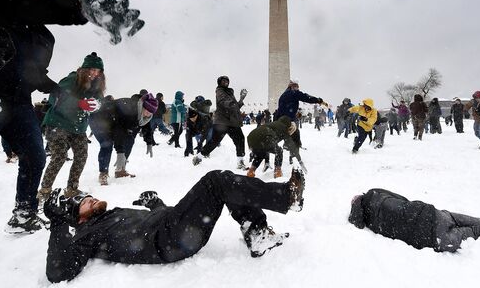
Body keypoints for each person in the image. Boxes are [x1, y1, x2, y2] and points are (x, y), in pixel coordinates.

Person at [0, 0, 143, 233]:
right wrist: (85, 7)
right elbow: (34, 5)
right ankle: (42, 192)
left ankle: (24, 213)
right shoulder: (3, 5)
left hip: (18, 102)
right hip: (12, 99)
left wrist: (61, 92)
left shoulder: (44, 38)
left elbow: (35, 73)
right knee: (55, 157)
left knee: (35, 155)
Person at [43, 168, 305, 283]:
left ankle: (257, 234)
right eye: (84, 203)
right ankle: (285, 197)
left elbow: (148, 222)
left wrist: (155, 203)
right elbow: (58, 272)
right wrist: (56, 222)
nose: (91, 199)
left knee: (225, 185)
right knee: (215, 182)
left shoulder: (112, 214)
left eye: (89, 196)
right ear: (79, 218)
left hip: (170, 228)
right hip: (167, 241)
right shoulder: (87, 233)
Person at [348, 188, 480, 256]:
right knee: (477, 223)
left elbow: (355, 222)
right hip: (434, 214)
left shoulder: (368, 221)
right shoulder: (376, 193)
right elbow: (403, 200)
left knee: (476, 231)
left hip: (433, 238)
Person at [37, 53, 106, 202]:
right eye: (92, 69)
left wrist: (96, 105)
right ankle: (44, 191)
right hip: (57, 123)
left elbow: (99, 100)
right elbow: (56, 97)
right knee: (60, 156)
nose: (95, 73)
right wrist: (79, 103)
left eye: (98, 71)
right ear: (84, 69)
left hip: (78, 127)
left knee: (81, 156)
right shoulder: (71, 80)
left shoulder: (97, 86)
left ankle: (72, 189)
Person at [90, 93, 158, 179]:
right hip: (99, 119)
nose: (148, 114)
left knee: (130, 140)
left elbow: (147, 127)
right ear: (143, 106)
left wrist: (149, 142)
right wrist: (120, 152)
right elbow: (118, 130)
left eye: (151, 113)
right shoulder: (131, 110)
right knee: (107, 144)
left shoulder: (144, 115)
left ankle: (120, 170)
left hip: (114, 122)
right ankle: (103, 173)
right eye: (147, 111)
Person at [192, 76, 248, 169]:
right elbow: (223, 102)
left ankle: (240, 161)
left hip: (232, 122)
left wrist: (242, 99)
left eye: (227, 81)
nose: (225, 82)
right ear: (219, 83)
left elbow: (235, 107)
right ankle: (199, 157)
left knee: (240, 139)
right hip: (222, 121)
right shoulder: (219, 91)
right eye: (223, 81)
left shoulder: (229, 93)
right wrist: (231, 103)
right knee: (214, 142)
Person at [275, 80, 325, 162]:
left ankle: (286, 146)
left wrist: (294, 113)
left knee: (282, 137)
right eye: (296, 87)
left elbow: (284, 108)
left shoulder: (284, 94)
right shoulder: (293, 93)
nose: (297, 89)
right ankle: (294, 157)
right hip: (288, 120)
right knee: (296, 137)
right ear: (291, 87)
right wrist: (318, 100)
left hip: (281, 120)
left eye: (297, 87)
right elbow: (306, 97)